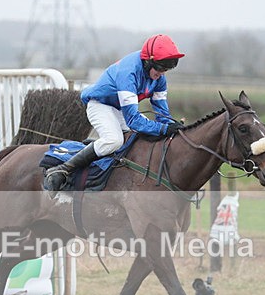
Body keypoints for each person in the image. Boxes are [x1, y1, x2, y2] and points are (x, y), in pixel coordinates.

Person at [43, 34, 185, 191]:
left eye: (166, 69)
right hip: (100, 105)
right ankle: (63, 169)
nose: (162, 73)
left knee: (147, 136)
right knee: (114, 140)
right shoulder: (129, 73)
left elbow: (162, 113)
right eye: (160, 68)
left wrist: (172, 126)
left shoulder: (159, 79)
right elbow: (134, 121)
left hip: (119, 109)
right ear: (148, 61)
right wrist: (163, 129)